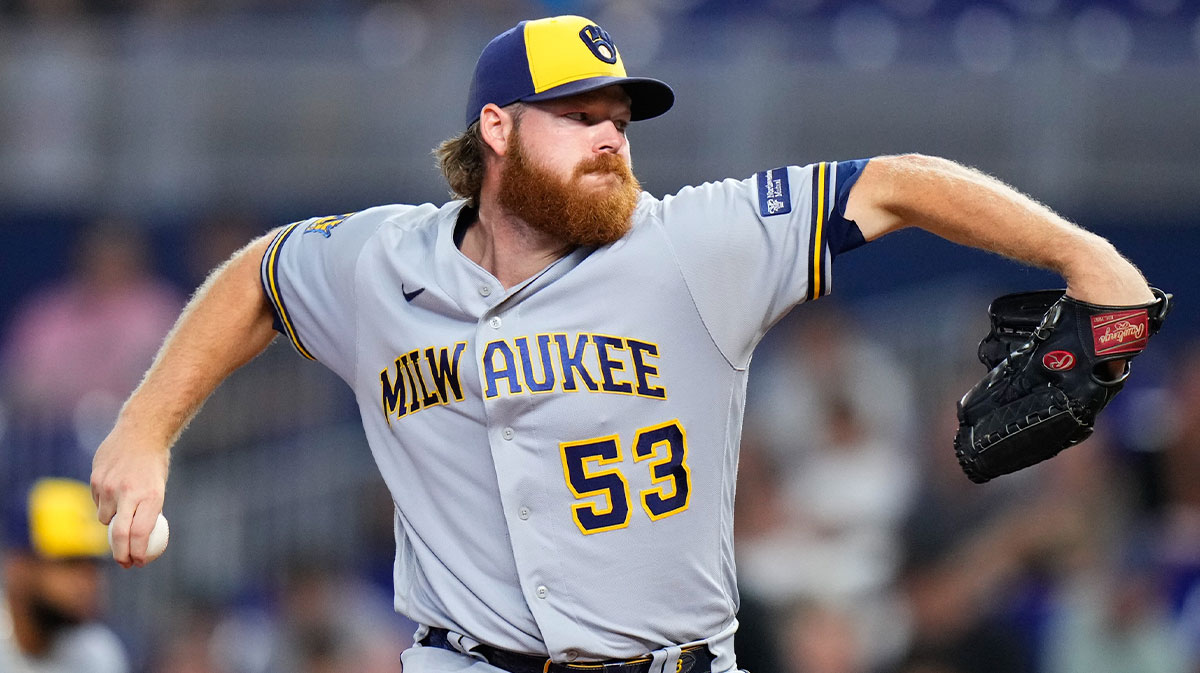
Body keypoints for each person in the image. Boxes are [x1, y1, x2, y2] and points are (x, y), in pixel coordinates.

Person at [90, 14, 1157, 673]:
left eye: (622, 117)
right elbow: (263, 273)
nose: (613, 136)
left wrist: (1089, 258)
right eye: (580, 114)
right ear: (497, 131)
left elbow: (897, 186)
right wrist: (146, 429)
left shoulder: (692, 242)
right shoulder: (382, 263)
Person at [1, 477, 129, 673]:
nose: (87, 581)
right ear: (19, 567)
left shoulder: (98, 656)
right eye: (70, 563)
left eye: (94, 564)